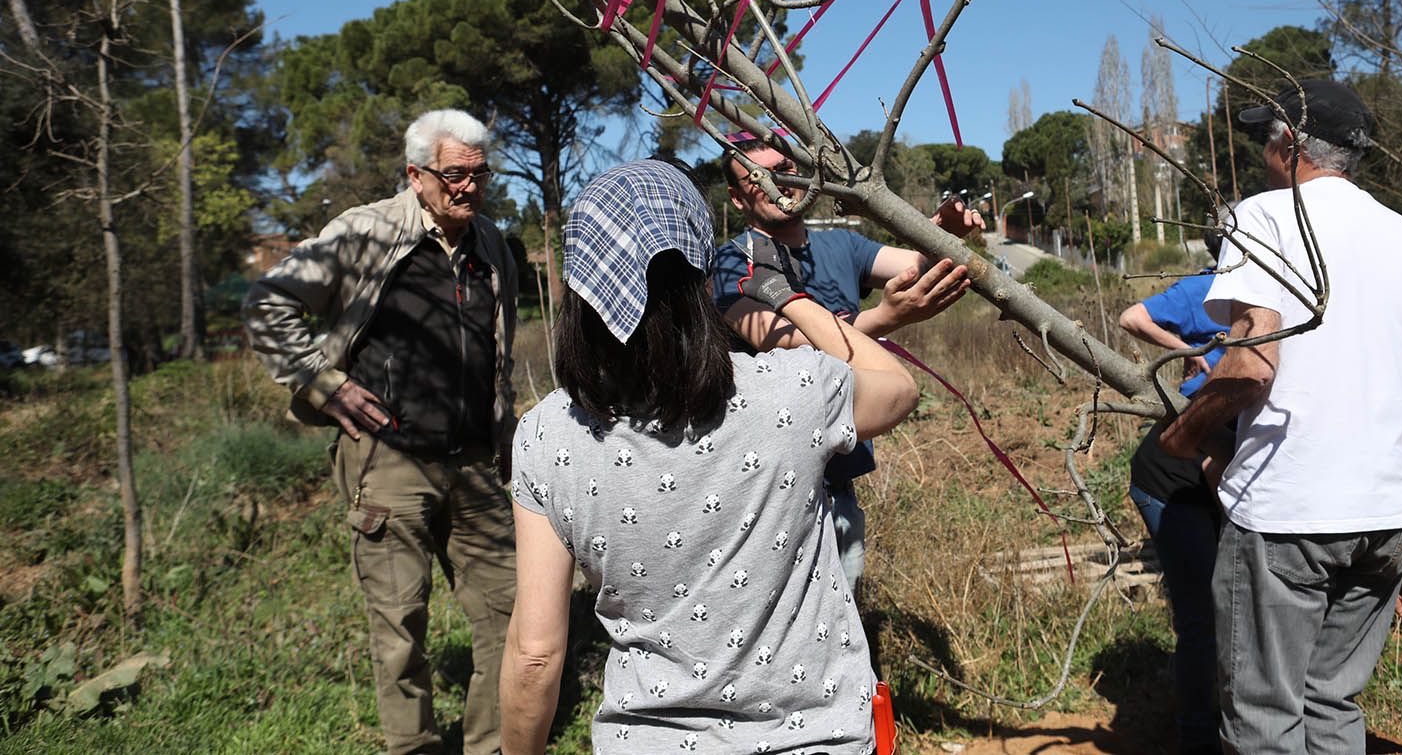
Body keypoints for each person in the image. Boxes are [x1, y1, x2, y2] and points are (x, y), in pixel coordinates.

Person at [499, 160, 919, 754]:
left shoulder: (547, 436)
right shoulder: (792, 391)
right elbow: (896, 387)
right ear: (701, 275)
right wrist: (786, 297)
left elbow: (535, 654)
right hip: (819, 739)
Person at [1161, 79, 1402, 755]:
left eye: (1266, 137)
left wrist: (1184, 434)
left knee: (1263, 713)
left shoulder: (1265, 217)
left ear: (1290, 143)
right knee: (1330, 698)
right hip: (1391, 507)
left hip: (1295, 508)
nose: (1262, 151)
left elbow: (1252, 362)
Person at [242, 110, 519, 755]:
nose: (469, 188)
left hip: (476, 463)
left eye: (480, 175)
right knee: (400, 627)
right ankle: (415, 747)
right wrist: (322, 381)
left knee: (510, 616)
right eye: (454, 175)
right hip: (388, 461)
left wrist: (503, 425)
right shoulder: (367, 233)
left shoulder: (493, 245)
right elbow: (267, 302)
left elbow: (498, 348)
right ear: (416, 175)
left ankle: (491, 745)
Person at [709, 138, 983, 588]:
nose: (776, 181)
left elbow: (916, 262)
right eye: (756, 178)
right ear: (738, 199)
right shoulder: (733, 264)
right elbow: (791, 347)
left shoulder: (842, 245)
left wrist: (943, 233)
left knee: (845, 619)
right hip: (769, 487)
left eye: (782, 167)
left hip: (838, 481)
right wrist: (886, 318)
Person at [1119, 228, 1229, 755]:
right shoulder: (1205, 289)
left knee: (1235, 606)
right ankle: (1196, 737)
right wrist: (1188, 350)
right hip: (1175, 475)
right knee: (1203, 616)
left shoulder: (1283, 300)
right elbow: (1132, 317)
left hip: (1222, 468)